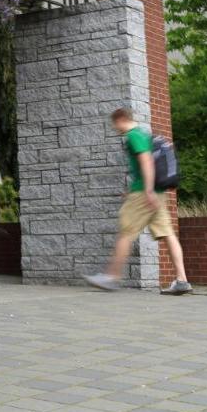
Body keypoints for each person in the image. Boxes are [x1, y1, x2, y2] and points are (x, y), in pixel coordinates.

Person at [84, 108, 193, 295]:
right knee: (167, 233)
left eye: (114, 124)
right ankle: (182, 280)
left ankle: (112, 277)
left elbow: (146, 161)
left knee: (126, 231)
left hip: (144, 194)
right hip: (156, 193)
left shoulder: (134, 135)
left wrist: (147, 189)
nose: (115, 128)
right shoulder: (143, 134)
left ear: (120, 120)